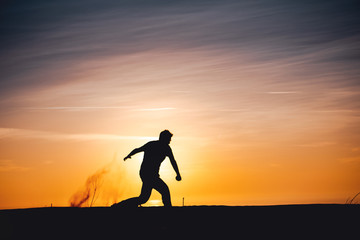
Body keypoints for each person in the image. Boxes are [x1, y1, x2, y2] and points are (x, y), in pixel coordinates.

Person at [113, 130, 181, 207]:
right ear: (163, 138)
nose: (170, 140)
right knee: (164, 190)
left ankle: (120, 205)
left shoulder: (167, 148)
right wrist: (129, 155)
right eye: (169, 138)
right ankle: (168, 208)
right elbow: (137, 149)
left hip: (153, 175)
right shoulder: (152, 145)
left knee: (143, 198)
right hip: (146, 174)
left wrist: (178, 173)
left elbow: (173, 161)